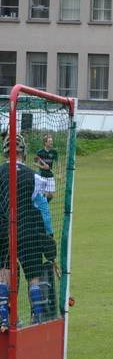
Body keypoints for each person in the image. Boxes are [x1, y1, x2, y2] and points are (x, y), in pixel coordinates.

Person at [0, 135, 53, 330]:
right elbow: (47, 200)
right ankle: (37, 320)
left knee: (4, 272)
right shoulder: (34, 176)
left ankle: (4, 319)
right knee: (34, 277)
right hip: (28, 231)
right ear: (24, 151)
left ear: (5, 151)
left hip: (3, 230)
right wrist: (49, 234)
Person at [34, 134, 57, 200]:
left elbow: (58, 163)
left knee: (51, 195)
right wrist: (43, 167)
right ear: (45, 143)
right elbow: (35, 163)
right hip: (42, 175)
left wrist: (59, 173)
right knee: (43, 194)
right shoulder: (39, 152)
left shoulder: (54, 152)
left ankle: (44, 204)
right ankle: (43, 205)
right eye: (49, 141)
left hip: (50, 175)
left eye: (52, 141)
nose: (51, 142)